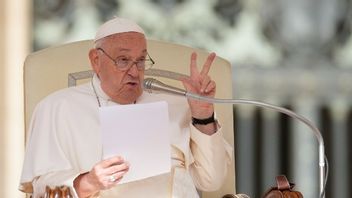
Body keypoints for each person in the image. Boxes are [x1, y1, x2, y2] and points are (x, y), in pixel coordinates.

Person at [19, 17, 232, 198]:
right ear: (95, 60)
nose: (134, 71)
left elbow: (212, 182)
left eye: (140, 61)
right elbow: (40, 193)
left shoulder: (177, 104)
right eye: (123, 60)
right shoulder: (57, 108)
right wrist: (88, 183)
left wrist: (203, 116)